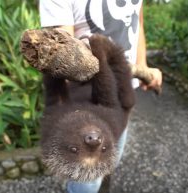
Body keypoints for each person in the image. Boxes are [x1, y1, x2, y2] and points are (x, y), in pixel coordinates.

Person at [39, 0, 162, 193]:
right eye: (100, 148)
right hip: (117, 95)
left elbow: (56, 70)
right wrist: (102, 55)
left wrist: (141, 63)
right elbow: (106, 93)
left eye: (75, 149)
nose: (93, 141)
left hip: (91, 87)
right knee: (91, 182)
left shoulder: (57, 119)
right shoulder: (108, 121)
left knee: (91, 181)